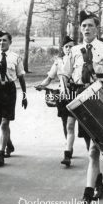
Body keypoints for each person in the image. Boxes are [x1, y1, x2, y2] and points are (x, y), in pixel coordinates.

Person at [61, 10, 103, 204]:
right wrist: (63, 85)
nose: (86, 29)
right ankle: (98, 183)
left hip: (100, 96)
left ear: (97, 29)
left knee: (95, 150)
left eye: (91, 26)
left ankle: (87, 196)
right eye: (84, 26)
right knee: (90, 146)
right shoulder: (74, 51)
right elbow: (65, 73)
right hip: (81, 97)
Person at [35, 36, 75, 166]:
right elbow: (49, 78)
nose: (69, 49)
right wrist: (42, 85)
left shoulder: (78, 60)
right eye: (66, 46)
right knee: (65, 123)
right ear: (63, 49)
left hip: (75, 94)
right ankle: (69, 147)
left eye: (71, 46)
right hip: (62, 96)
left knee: (70, 125)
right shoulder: (58, 61)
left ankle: (67, 153)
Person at [0, 31, 27, 167]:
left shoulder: (16, 57)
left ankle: (1, 153)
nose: (1, 43)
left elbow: (21, 77)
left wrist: (25, 95)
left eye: (4, 40)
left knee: (5, 123)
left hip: (9, 90)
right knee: (2, 122)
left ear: (10, 42)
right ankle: (9, 145)